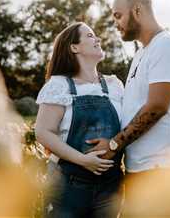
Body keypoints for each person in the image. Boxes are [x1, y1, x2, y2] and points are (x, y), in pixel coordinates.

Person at [86, 0, 170, 210]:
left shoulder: (167, 45)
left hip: (163, 172)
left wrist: (114, 144)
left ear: (137, 10)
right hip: (142, 171)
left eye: (118, 15)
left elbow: (157, 106)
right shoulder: (141, 53)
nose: (116, 23)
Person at [34, 22, 124, 218]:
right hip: (68, 185)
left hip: (110, 186)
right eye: (90, 36)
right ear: (74, 47)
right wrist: (83, 160)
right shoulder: (60, 86)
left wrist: (114, 145)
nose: (98, 39)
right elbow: (42, 132)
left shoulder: (114, 85)